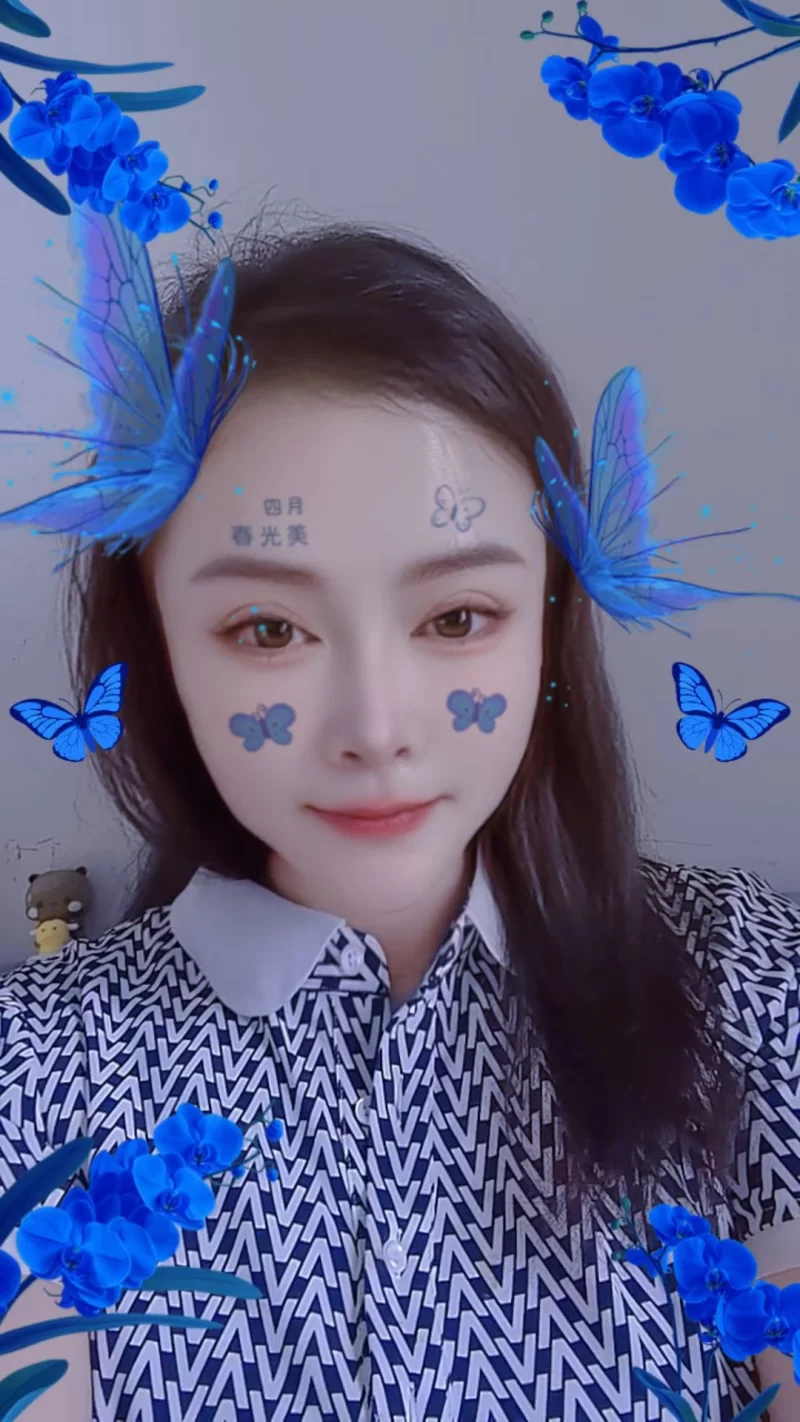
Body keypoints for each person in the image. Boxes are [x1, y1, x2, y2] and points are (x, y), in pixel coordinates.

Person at [1, 214, 799, 1422]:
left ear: (547, 624)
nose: (375, 728)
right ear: (158, 648)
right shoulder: (32, 1075)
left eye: (456, 618)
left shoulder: (749, 990)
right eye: (267, 629)